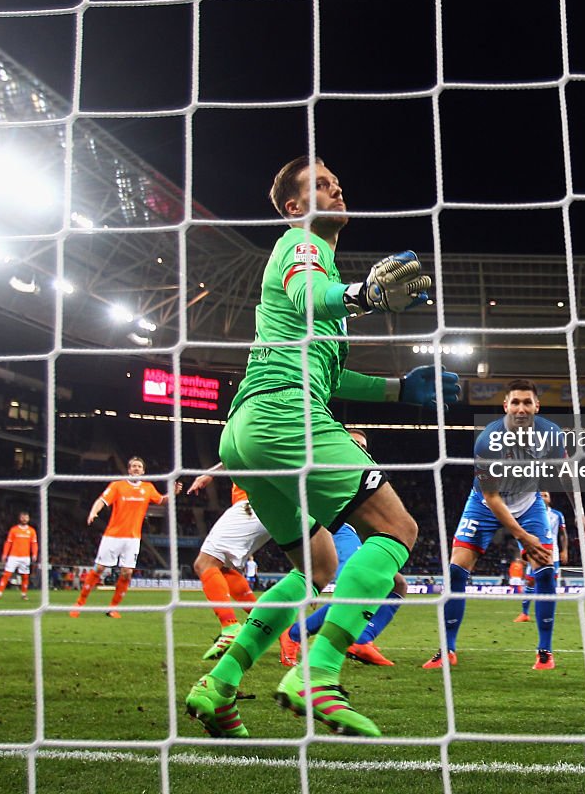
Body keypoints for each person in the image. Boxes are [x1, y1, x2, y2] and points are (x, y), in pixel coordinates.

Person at [184, 155, 460, 739]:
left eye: (337, 182)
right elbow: (313, 295)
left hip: (246, 429)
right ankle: (321, 673)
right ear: (294, 207)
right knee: (399, 530)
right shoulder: (302, 245)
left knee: (318, 564)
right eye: (322, 186)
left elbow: (331, 378)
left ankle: (220, 683)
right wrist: (364, 294)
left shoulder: (315, 263)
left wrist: (399, 389)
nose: (337, 190)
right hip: (288, 416)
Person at [421, 380, 564, 671]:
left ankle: (545, 652)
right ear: (506, 406)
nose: (521, 408)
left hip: (528, 502)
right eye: (515, 402)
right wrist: (524, 537)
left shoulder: (552, 434)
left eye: (527, 402)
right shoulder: (488, 440)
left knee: (546, 571)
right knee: (455, 572)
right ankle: (447, 649)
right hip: (485, 505)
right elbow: (491, 496)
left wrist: (582, 515)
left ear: (537, 405)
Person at [282, 429, 406, 668]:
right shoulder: (324, 467)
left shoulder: (365, 472)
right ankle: (295, 634)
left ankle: (361, 639)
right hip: (334, 530)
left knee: (397, 584)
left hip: (354, 533)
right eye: (355, 443)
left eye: (364, 446)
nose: (360, 448)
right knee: (361, 588)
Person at [70, 457, 181, 618]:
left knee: (127, 573)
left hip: (133, 538)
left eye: (139, 466)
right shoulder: (117, 485)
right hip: (113, 535)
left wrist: (173, 493)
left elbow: (162, 500)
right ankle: (79, 604)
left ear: (143, 471)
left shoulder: (148, 487)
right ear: (129, 470)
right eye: (133, 466)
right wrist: (94, 512)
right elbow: (101, 500)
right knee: (100, 568)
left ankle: (113, 608)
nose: (136, 468)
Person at [185, 470, 266, 660]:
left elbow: (241, 447)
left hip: (251, 503)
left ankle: (230, 627)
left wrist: (210, 473)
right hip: (266, 507)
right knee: (222, 569)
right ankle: (271, 626)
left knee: (204, 564)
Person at [517, 490, 567, 622]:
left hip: (553, 554)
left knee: (550, 582)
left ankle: (547, 613)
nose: (543, 497)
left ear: (550, 499)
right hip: (534, 553)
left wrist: (564, 550)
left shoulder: (557, 515)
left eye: (546, 495)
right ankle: (524, 613)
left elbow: (563, 534)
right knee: (530, 581)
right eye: (541, 495)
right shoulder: (529, 513)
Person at [0, 511, 38, 601]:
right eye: (23, 517)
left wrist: (34, 554)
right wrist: (5, 554)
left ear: (28, 519)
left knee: (25, 576)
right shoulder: (14, 530)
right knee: (6, 575)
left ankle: (24, 594)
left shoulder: (31, 531)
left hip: (25, 557)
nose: (24, 519)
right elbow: (8, 542)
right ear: (19, 518)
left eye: (26, 517)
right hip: (13, 556)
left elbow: (34, 544)